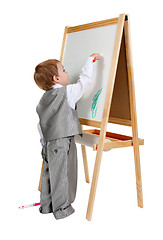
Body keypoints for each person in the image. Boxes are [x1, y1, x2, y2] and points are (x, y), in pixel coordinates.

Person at [34, 53, 101, 220]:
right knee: (63, 174)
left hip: (49, 142)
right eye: (64, 70)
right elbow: (84, 82)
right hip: (63, 141)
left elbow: (40, 124)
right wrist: (89, 61)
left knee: (51, 174)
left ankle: (47, 205)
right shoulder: (67, 92)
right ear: (56, 78)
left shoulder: (43, 100)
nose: (67, 72)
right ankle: (62, 209)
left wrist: (44, 143)